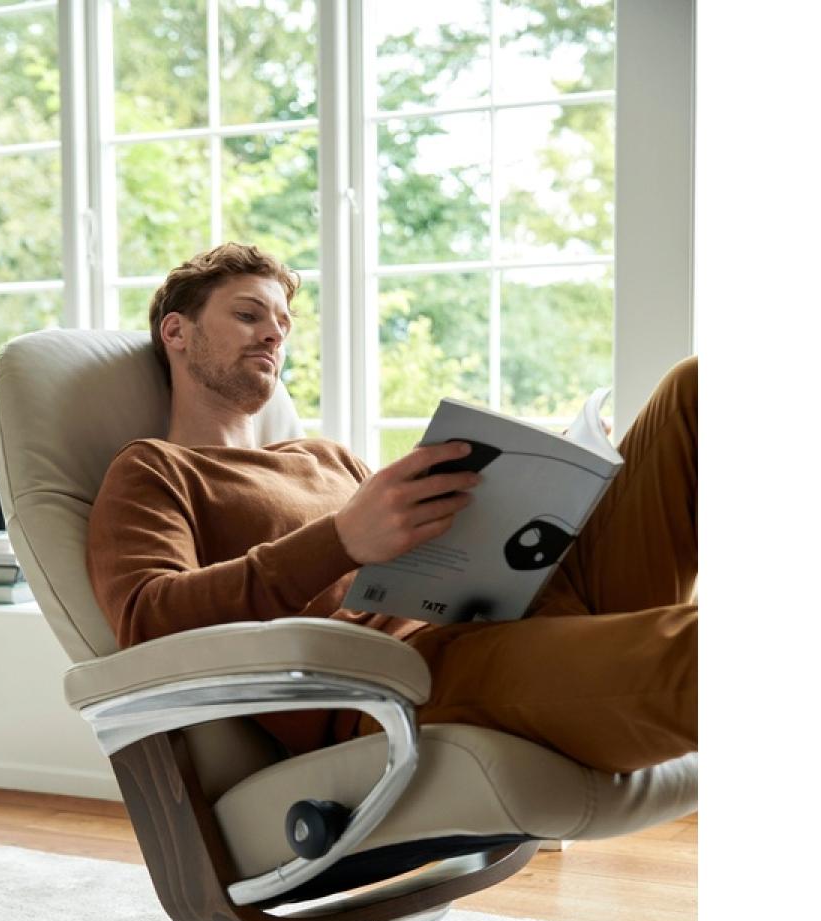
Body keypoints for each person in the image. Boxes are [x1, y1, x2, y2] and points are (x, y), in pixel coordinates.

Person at [87, 243, 697, 775]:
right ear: (177, 332)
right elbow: (147, 620)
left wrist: (544, 486)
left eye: (283, 324)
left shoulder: (325, 457)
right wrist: (341, 540)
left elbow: (431, 556)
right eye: (248, 315)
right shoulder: (154, 469)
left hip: (521, 605)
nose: (274, 334)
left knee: (692, 390)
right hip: (415, 672)